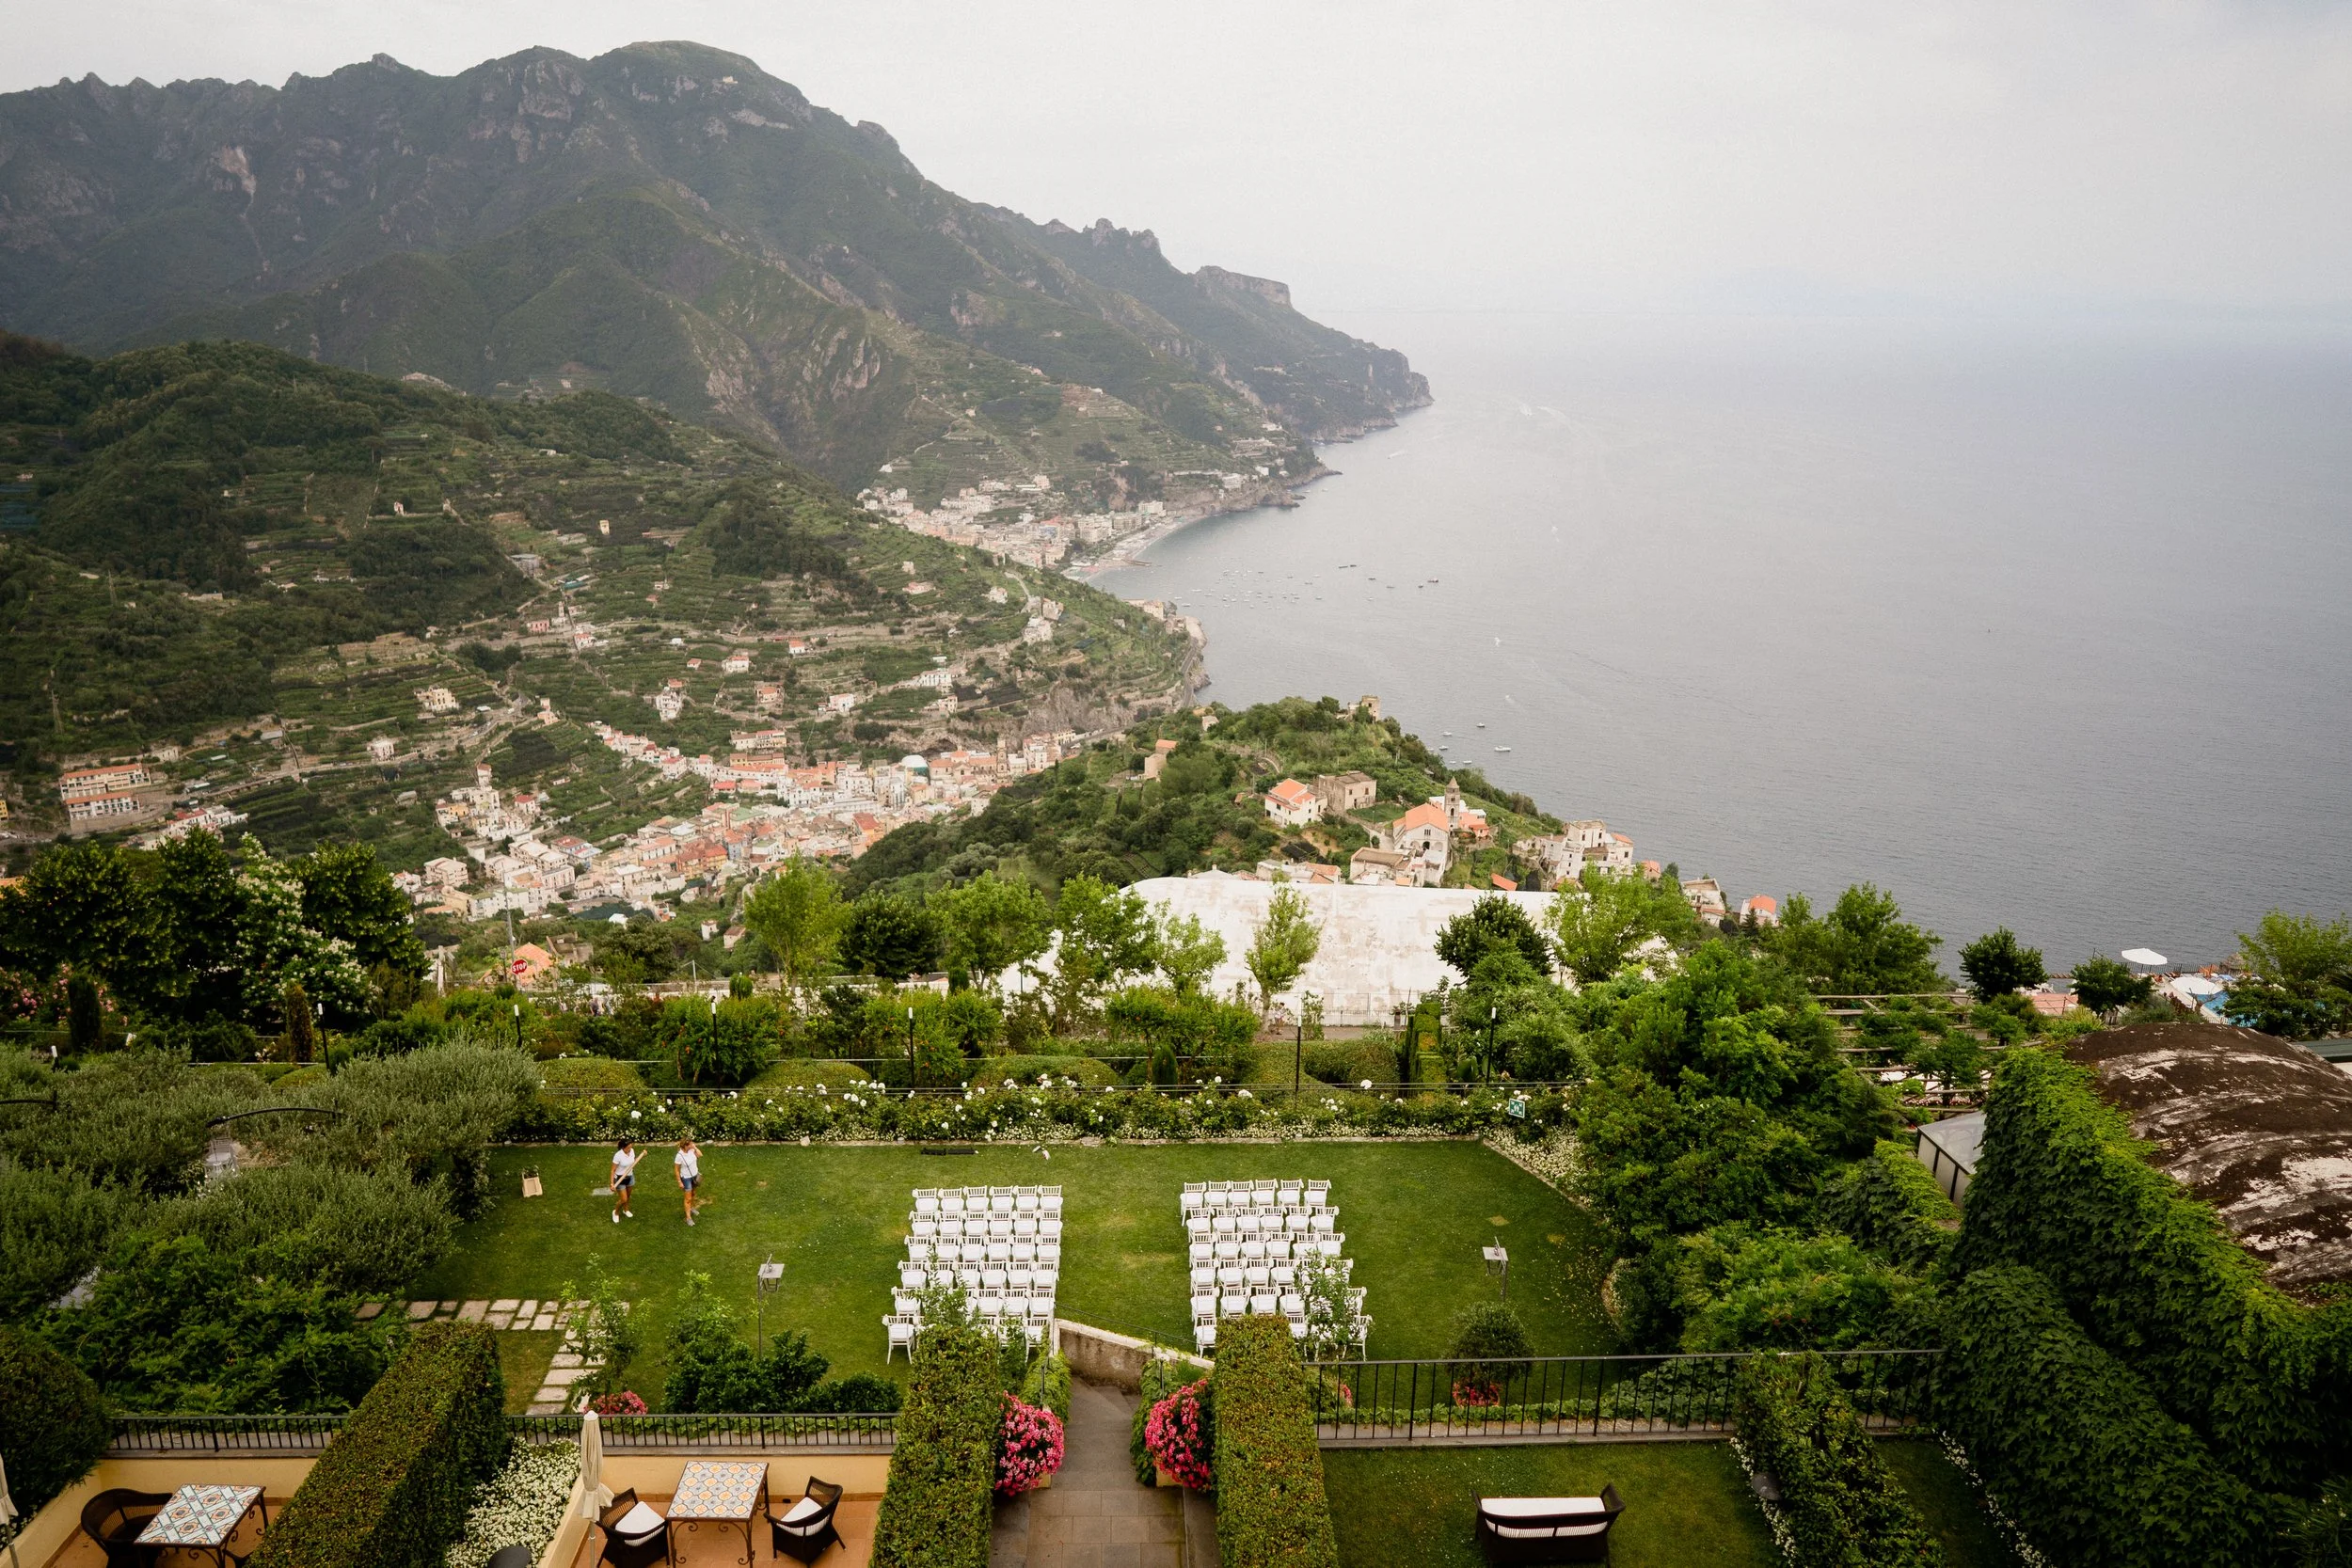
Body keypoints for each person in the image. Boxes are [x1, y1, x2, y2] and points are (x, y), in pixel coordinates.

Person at [675, 1135, 703, 1227]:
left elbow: (700, 1155)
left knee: (693, 1194)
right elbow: (677, 1170)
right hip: (686, 1179)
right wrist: (679, 1181)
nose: (691, 1145)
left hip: (695, 1176)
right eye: (690, 1144)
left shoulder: (691, 1150)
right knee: (688, 1198)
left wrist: (694, 1147)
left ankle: (692, 1208)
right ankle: (688, 1218)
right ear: (685, 1146)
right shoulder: (679, 1156)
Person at [611, 1138, 638, 1223]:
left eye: (631, 1147)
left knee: (628, 1196)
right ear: (623, 1147)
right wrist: (612, 1183)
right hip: (620, 1178)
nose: (630, 1149)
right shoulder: (618, 1155)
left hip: (630, 1176)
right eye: (628, 1148)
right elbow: (613, 1170)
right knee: (624, 1199)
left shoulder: (632, 1151)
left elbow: (633, 1161)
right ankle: (615, 1212)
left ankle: (626, 1210)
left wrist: (643, 1155)